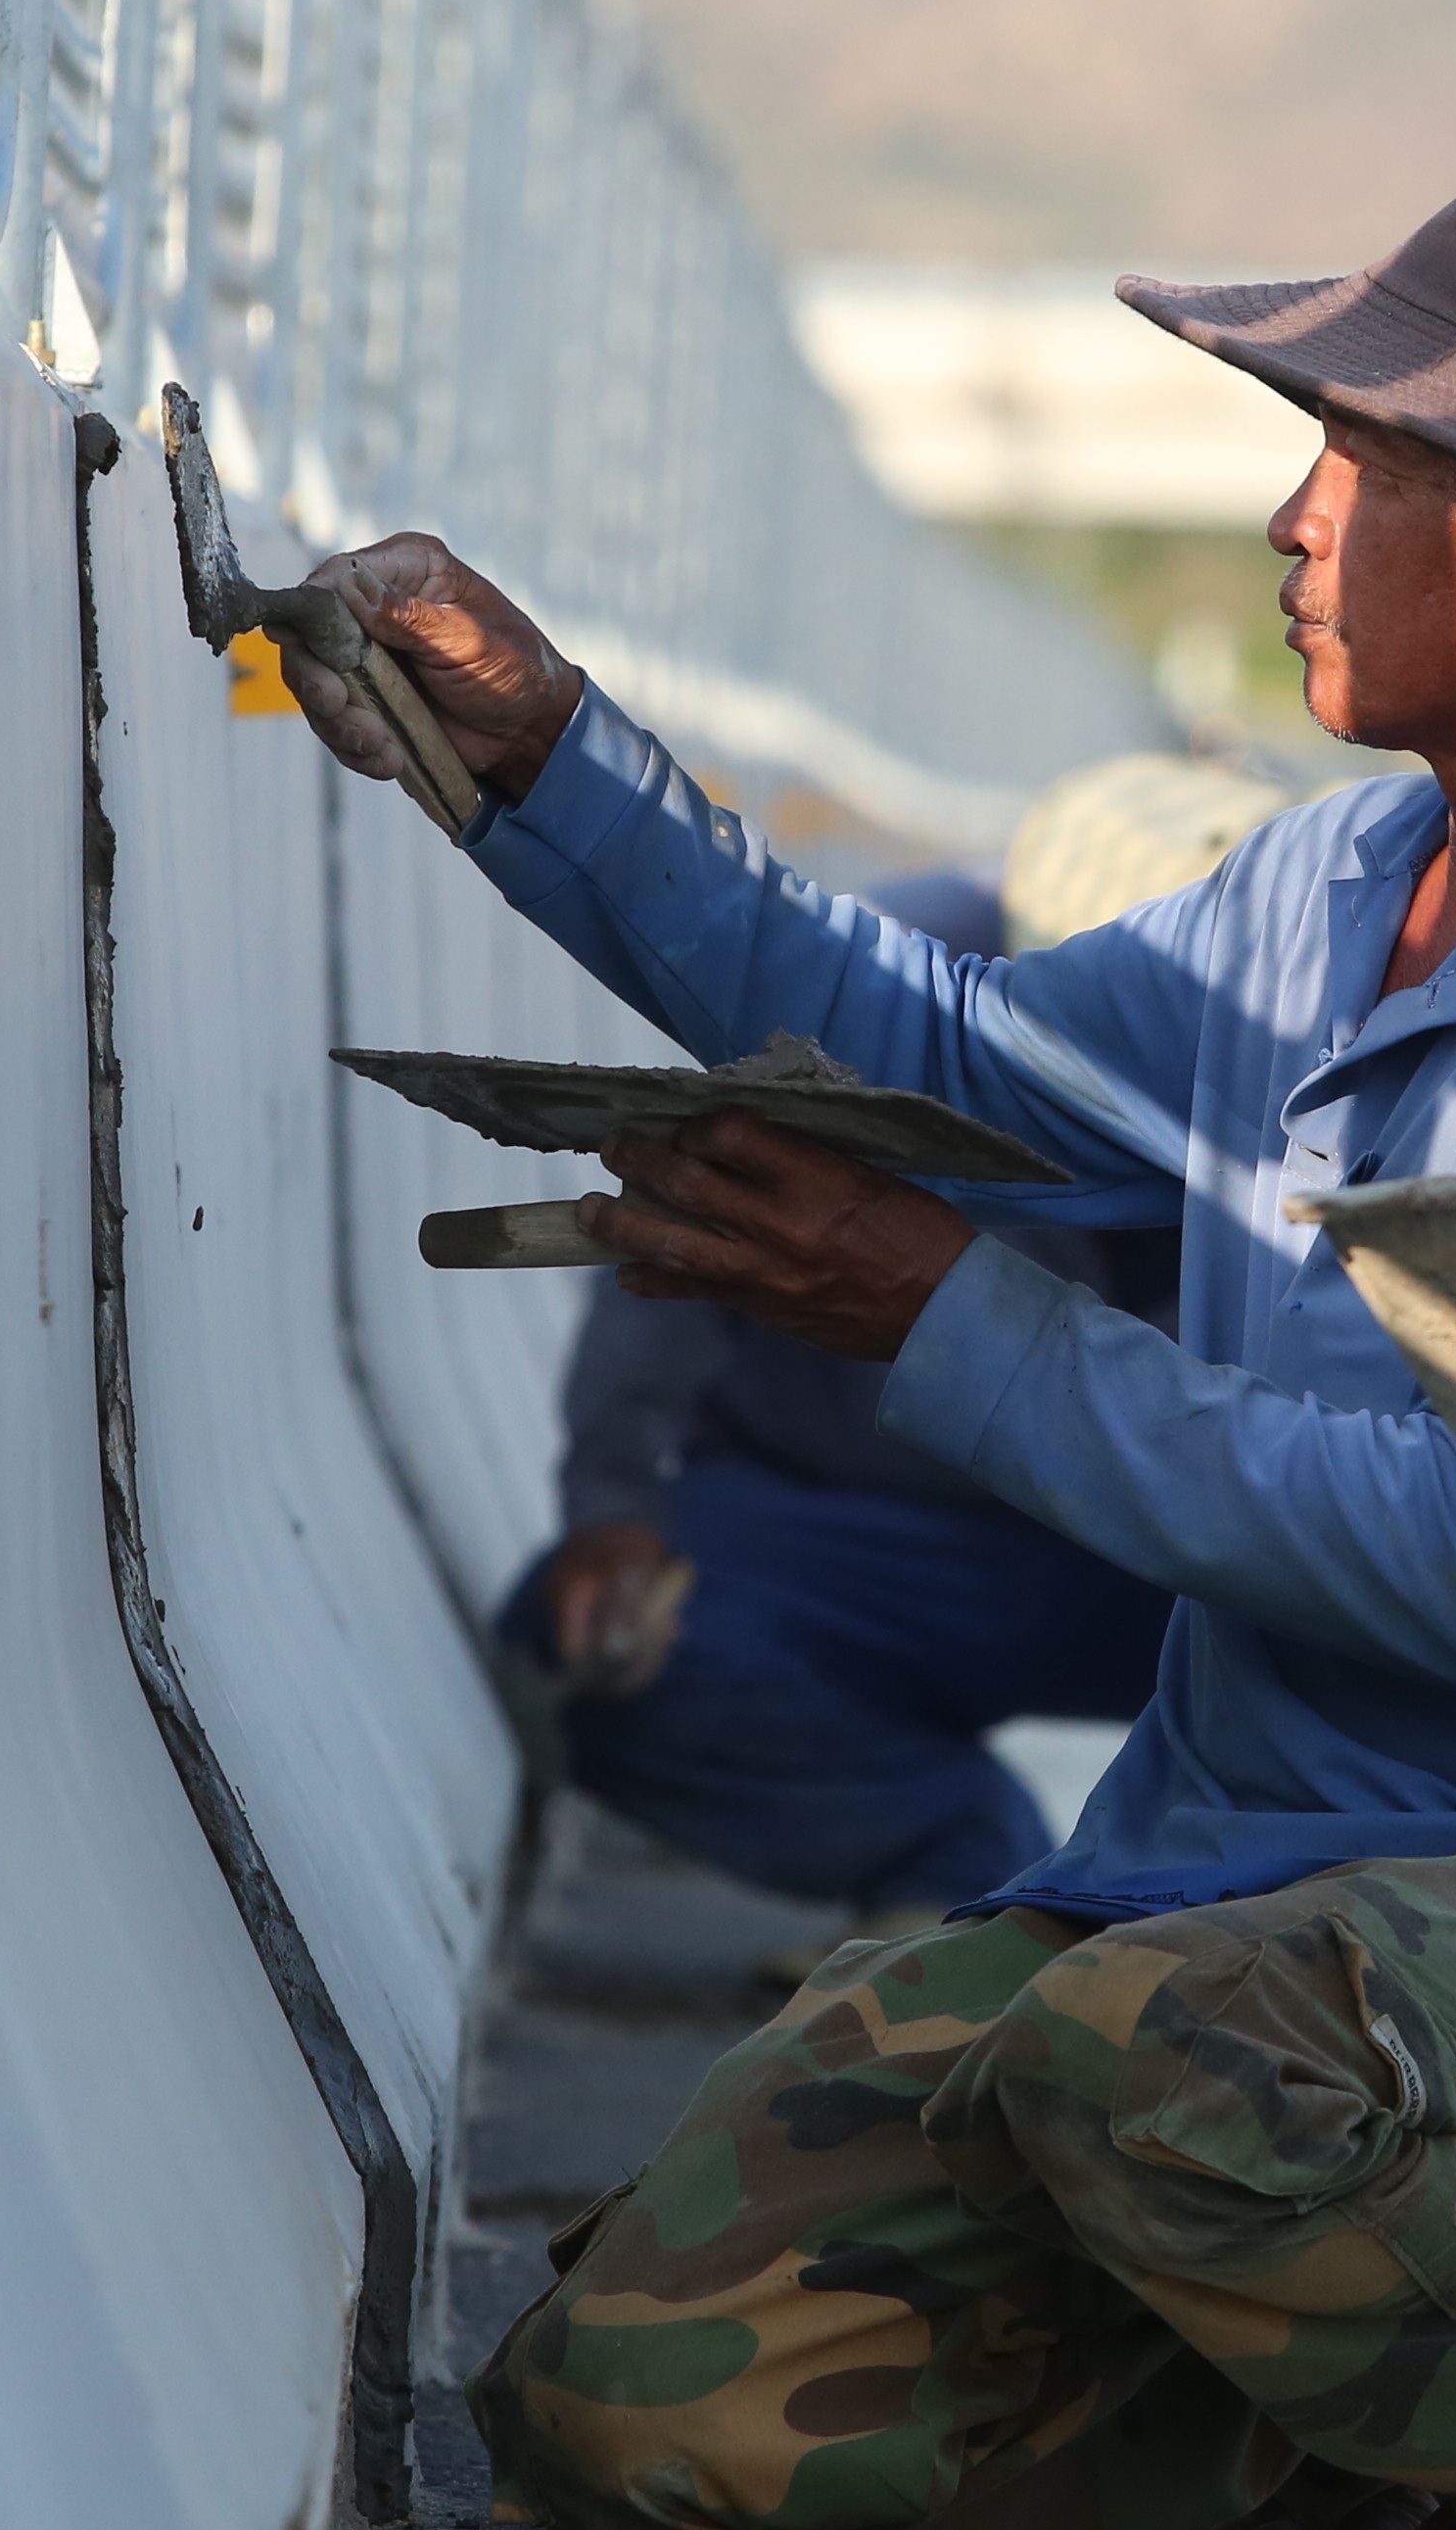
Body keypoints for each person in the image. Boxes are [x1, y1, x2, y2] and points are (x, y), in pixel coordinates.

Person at [276, 121, 1456, 2530]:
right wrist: (540, 764)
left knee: (1152, 2057)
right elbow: (941, 1054)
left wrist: (944, 1310)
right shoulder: (1315, 894)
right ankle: (1312, 2404)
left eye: (1355, 466)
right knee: (618, 2408)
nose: (1287, 520)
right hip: (1200, 1894)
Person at [504, 806, 1250, 1929]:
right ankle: (959, 1871)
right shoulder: (876, 987)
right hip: (847, 1521)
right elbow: (677, 1234)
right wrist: (612, 1505)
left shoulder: (1323, 1059)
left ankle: (1288, 1950)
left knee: (1425, 1665)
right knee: (600, 1652)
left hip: (1137, 1535)